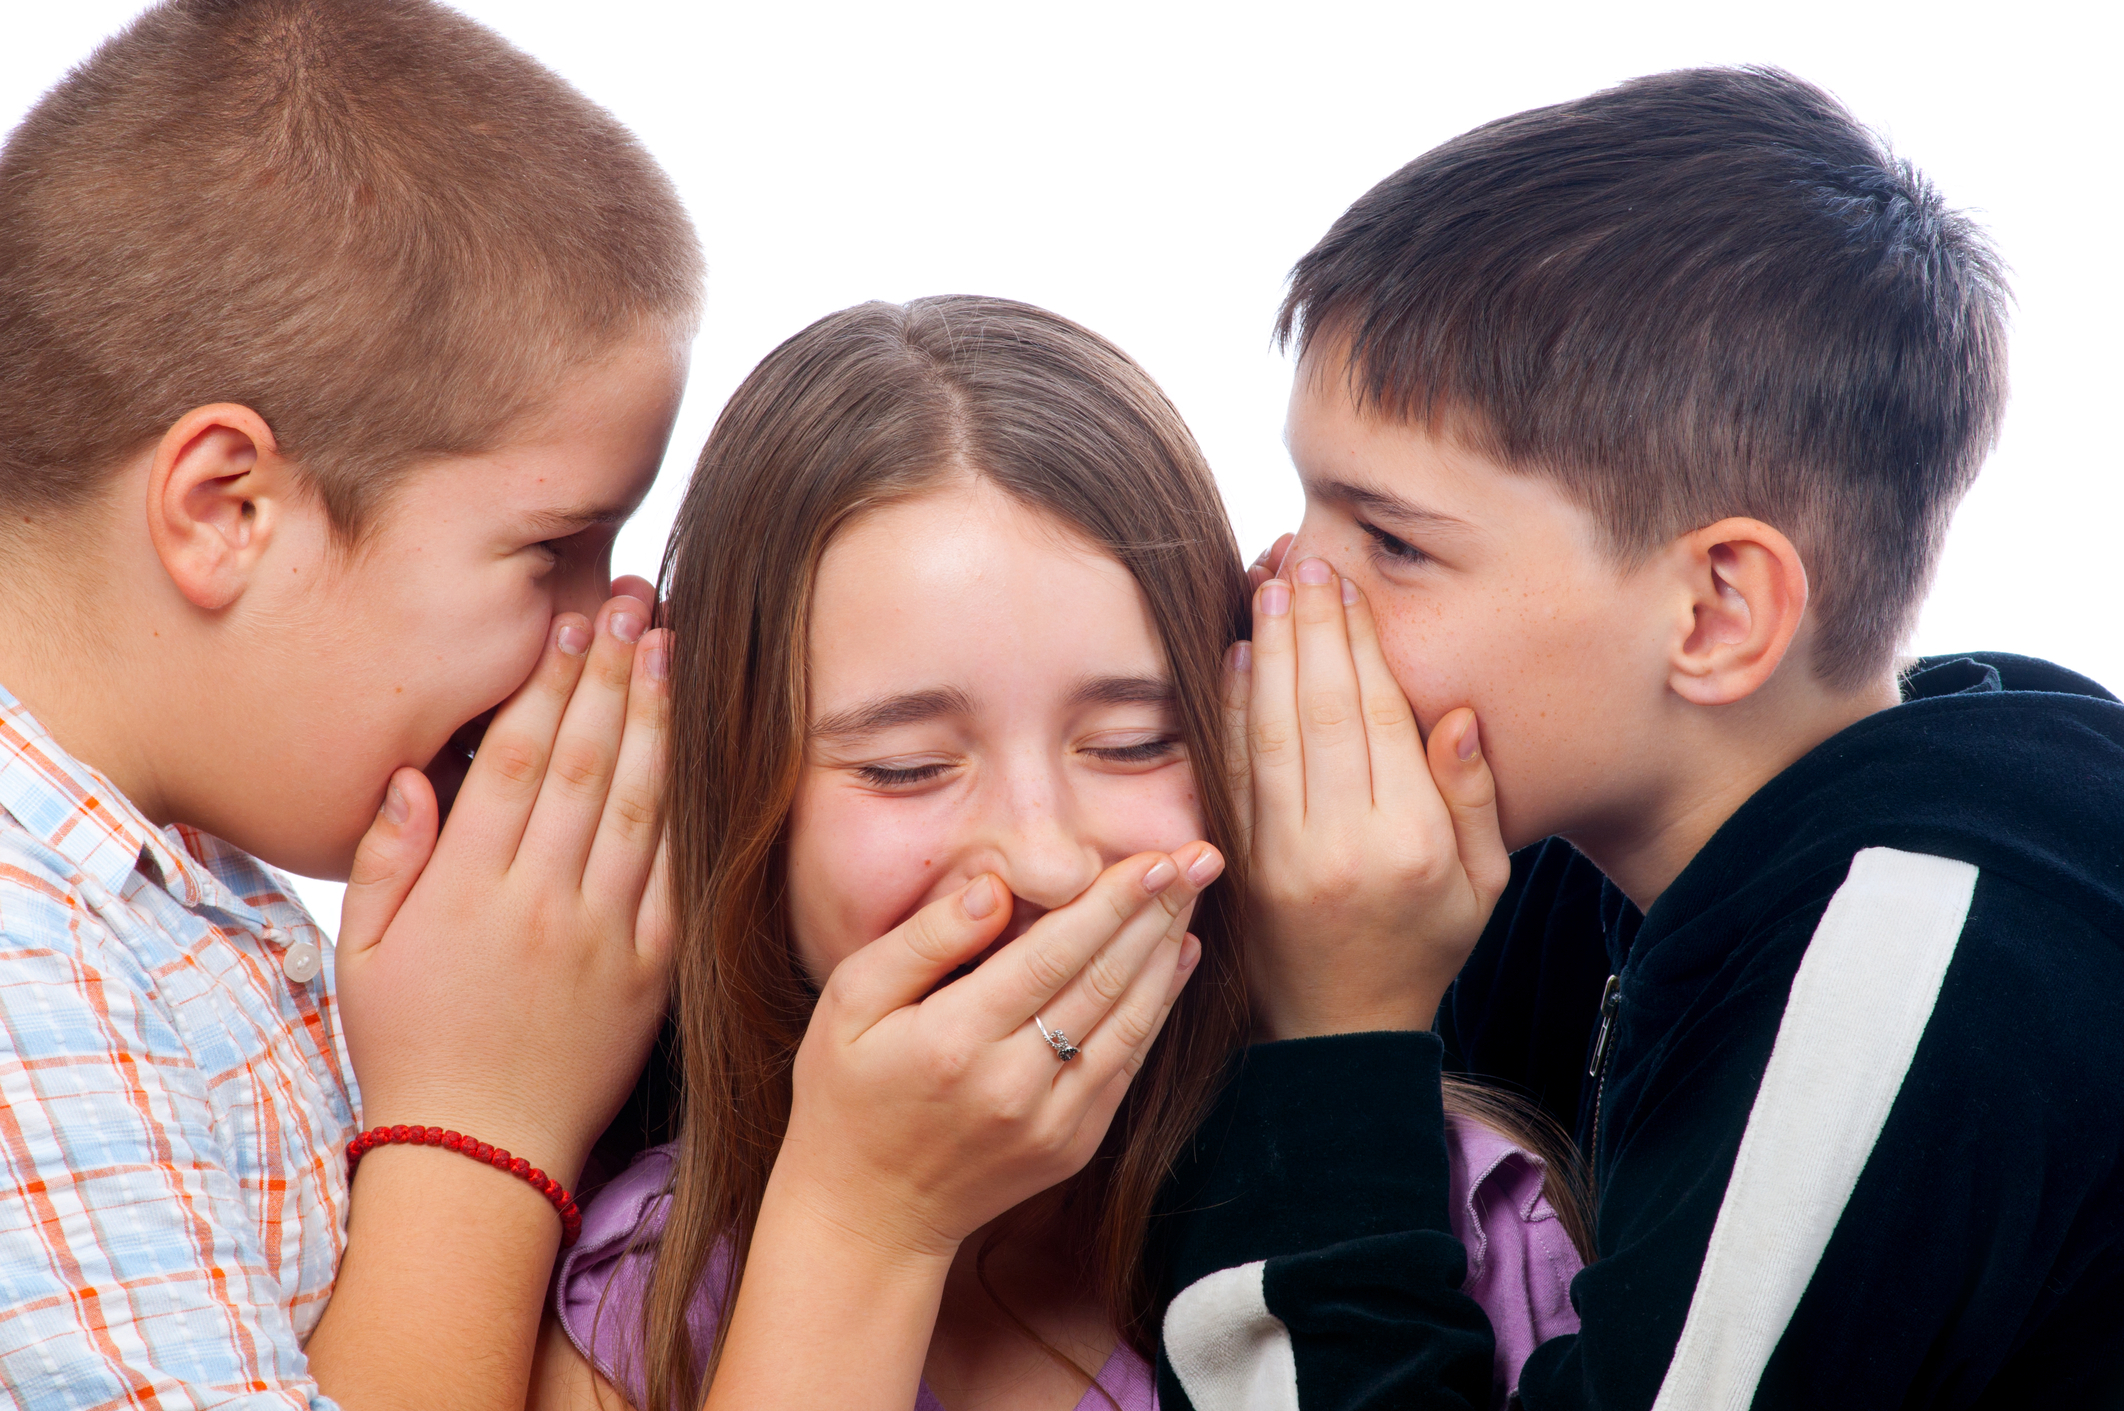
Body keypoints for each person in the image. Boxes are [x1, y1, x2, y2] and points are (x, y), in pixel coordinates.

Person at [1154, 67, 2124, 1408]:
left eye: (1391, 541)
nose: (1283, 585)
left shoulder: (1921, 980)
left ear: (1716, 613)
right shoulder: (1571, 852)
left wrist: (1330, 1042)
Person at [528, 296, 1588, 1411]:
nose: (1043, 858)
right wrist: (864, 1220)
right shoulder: (646, 1294)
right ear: (738, 800)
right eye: (904, 767)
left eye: (1134, 742)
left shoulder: (1467, 1230)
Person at [0, 1, 702, 1405]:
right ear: (229, 509)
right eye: (553, 548)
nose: (601, 622)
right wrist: (484, 1115)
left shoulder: (180, 873)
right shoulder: (29, 974)